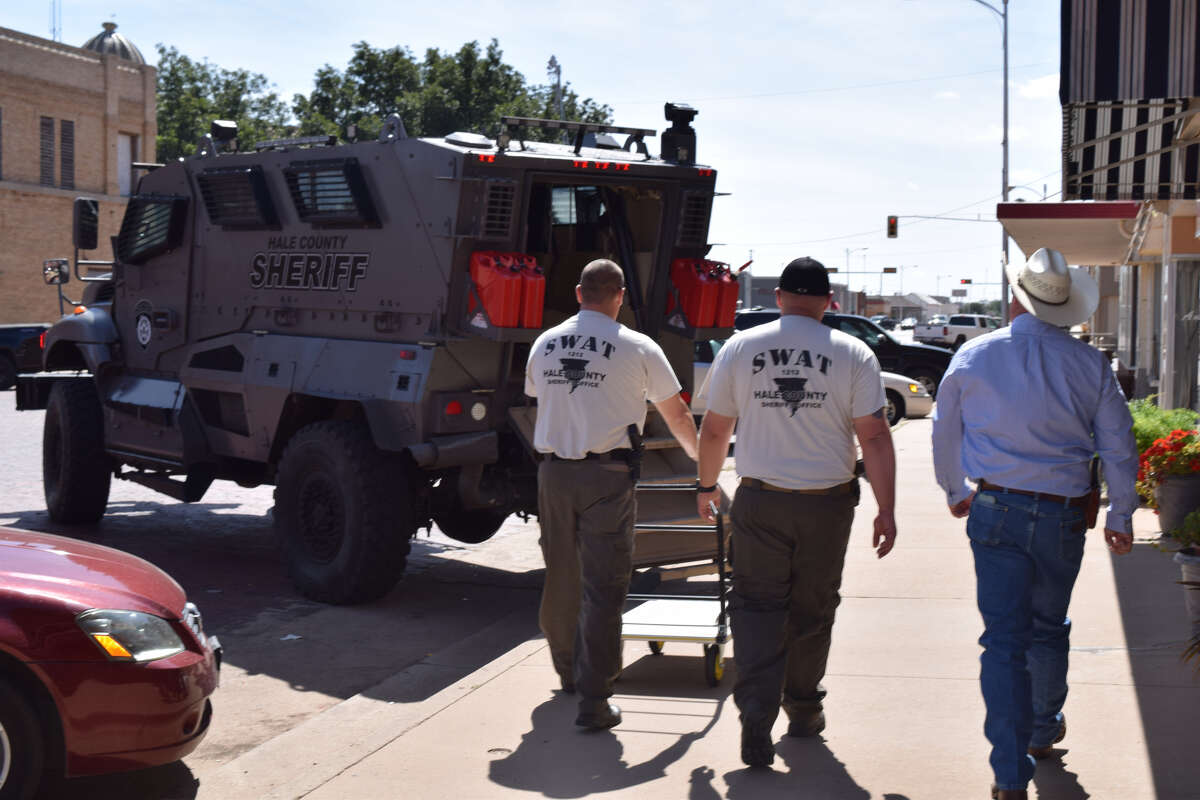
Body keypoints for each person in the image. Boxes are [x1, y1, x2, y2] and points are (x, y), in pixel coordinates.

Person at [931, 248, 1138, 800]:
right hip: (1063, 513)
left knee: (1003, 641)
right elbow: (1119, 442)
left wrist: (955, 490)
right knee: (1047, 626)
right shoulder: (1089, 362)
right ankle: (1043, 729)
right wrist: (1120, 512)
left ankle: (1008, 773)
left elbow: (943, 430)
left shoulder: (974, 356)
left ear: (1015, 298)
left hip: (996, 507)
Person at [694, 256, 897, 767]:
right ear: (829, 303)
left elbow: (716, 429)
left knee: (757, 608)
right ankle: (803, 709)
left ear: (780, 297)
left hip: (761, 501)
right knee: (813, 608)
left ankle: (756, 719)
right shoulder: (853, 352)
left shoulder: (742, 346)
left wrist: (707, 485)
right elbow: (873, 435)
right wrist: (886, 509)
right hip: (826, 505)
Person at [525, 258, 699, 730]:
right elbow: (677, 416)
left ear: (579, 293)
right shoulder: (638, 347)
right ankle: (595, 699)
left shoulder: (545, 344)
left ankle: (568, 673)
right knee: (603, 588)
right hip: (607, 477)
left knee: (561, 575)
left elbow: (545, 398)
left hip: (554, 475)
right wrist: (703, 469)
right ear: (619, 296)